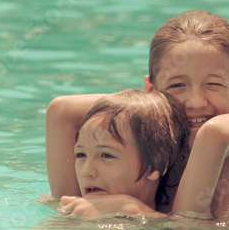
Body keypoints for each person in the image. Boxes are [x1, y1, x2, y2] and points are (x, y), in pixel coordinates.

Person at [47, 10, 229, 219]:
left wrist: (131, 209)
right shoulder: (133, 133)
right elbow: (61, 110)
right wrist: (147, 106)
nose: (196, 102)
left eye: (213, 84)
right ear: (151, 89)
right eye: (177, 85)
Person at [61, 89, 189, 217]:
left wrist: (129, 208)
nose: (86, 171)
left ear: (154, 166)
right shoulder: (69, 210)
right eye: (80, 155)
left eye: (106, 155)